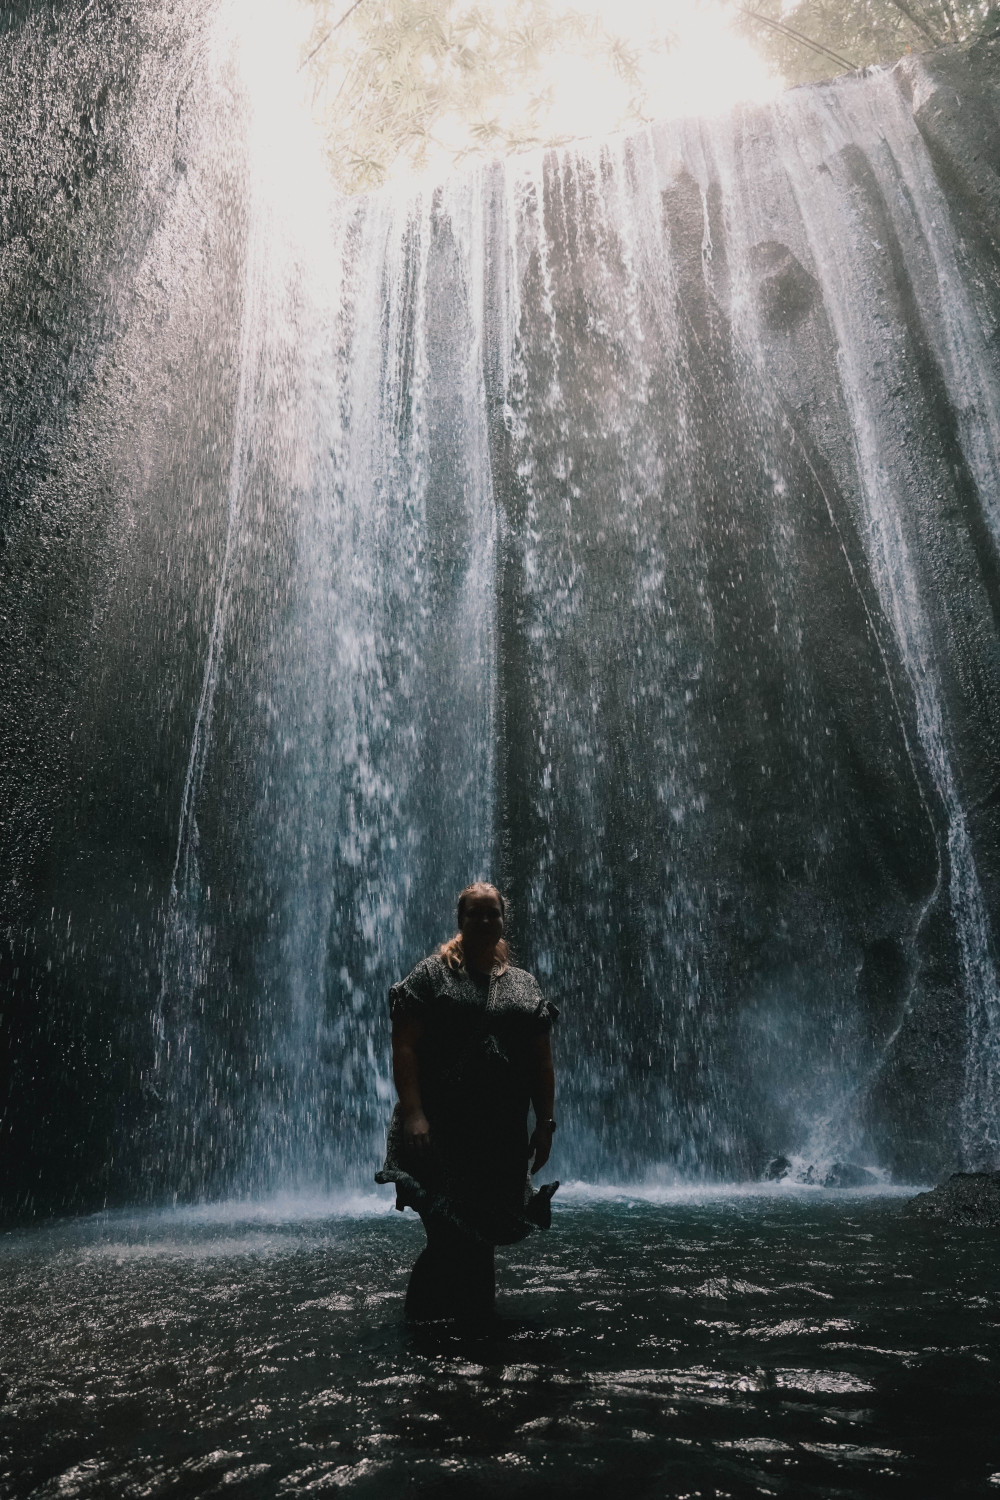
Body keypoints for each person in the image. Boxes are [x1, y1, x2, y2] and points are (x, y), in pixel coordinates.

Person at [375, 881, 559, 1322]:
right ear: (460, 921)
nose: (484, 921)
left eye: (491, 913)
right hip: (441, 1131)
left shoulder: (522, 984)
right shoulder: (433, 974)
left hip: (499, 1133)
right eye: (474, 914)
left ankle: (477, 1327)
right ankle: (420, 1328)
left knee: (484, 1236)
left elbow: (541, 1060)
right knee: (446, 1235)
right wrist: (414, 1111)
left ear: (502, 920)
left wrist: (545, 1122)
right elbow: (404, 1043)